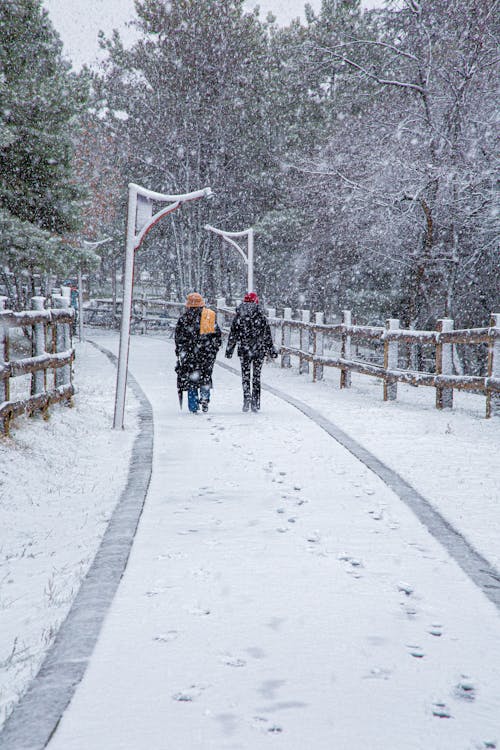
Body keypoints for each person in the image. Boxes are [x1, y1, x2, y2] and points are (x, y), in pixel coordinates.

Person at [225, 292, 278, 412]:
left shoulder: (239, 316)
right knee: (256, 377)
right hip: (259, 350)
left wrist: (229, 350)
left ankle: (246, 398)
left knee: (245, 376)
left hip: (244, 350)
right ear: (256, 302)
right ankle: (255, 402)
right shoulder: (261, 316)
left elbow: (233, 334)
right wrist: (271, 350)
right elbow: (267, 336)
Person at [175, 292, 222, 413]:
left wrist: (180, 351)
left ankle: (193, 405)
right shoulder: (208, 317)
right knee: (206, 376)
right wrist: (213, 348)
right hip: (206, 353)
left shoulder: (183, 319)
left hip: (189, 354)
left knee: (192, 379)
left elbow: (178, 337)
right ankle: (205, 397)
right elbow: (217, 335)